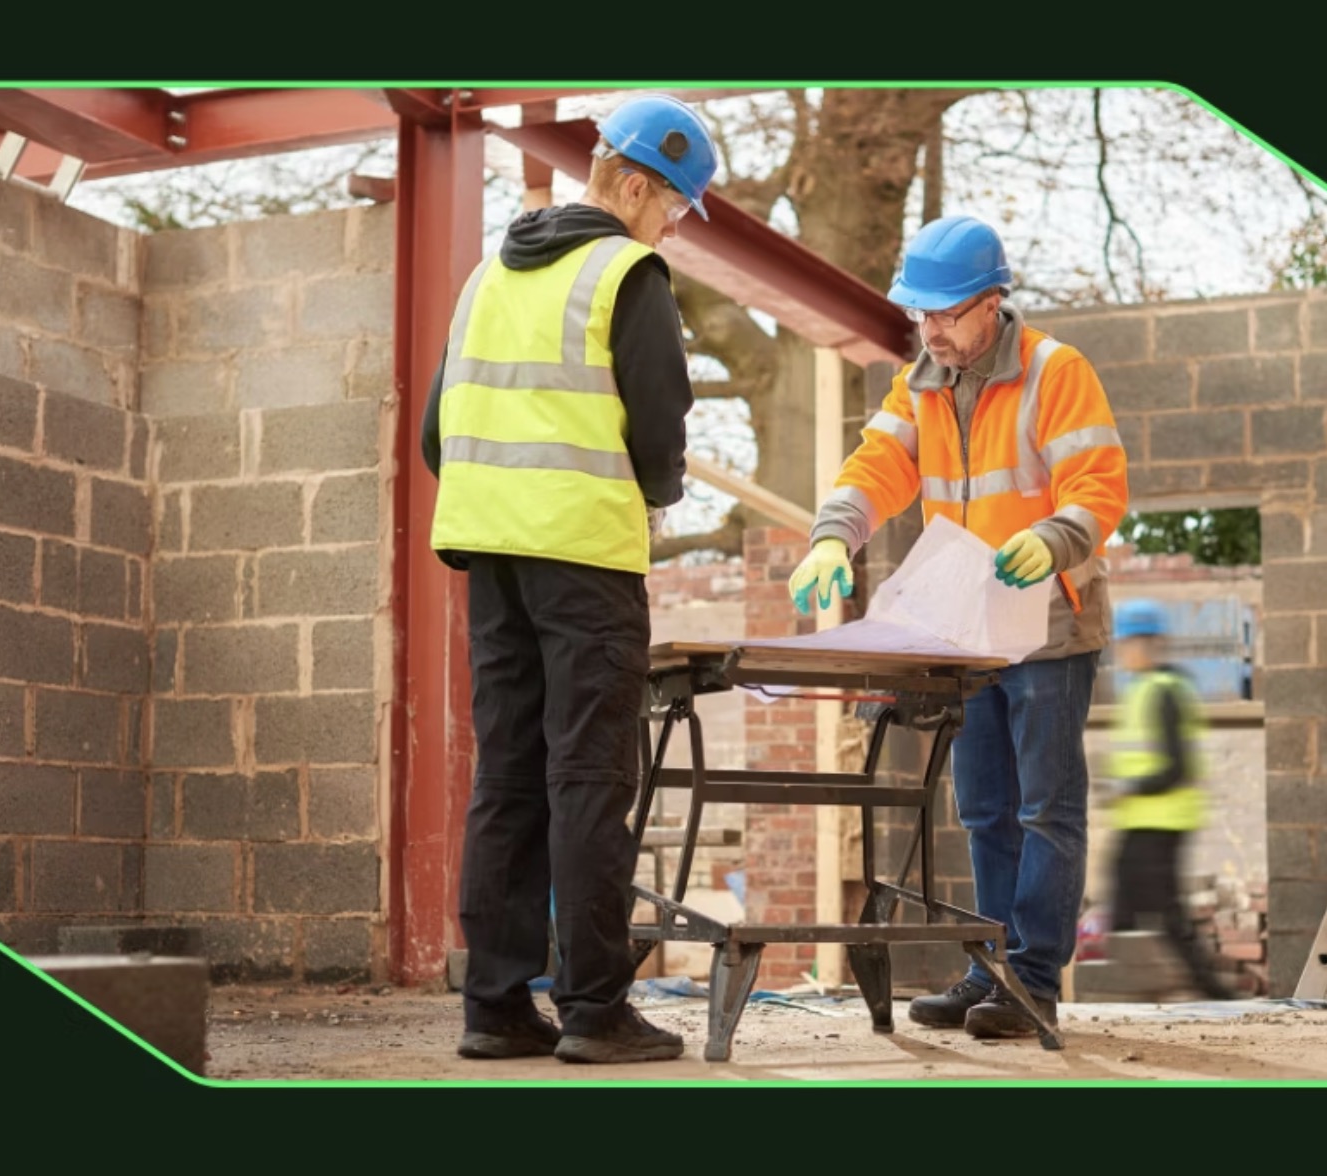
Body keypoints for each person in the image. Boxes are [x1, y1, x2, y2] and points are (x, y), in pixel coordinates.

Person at [421, 93, 720, 1064]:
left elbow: (435, 436)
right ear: (631, 183)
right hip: (583, 559)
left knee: (506, 774)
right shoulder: (625, 273)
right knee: (589, 774)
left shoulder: (483, 281)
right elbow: (658, 421)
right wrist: (656, 491)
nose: (671, 222)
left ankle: (497, 1006)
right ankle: (593, 1009)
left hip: (490, 556)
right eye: (672, 202)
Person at [788, 214, 1127, 1039]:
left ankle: (1035, 980)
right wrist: (834, 535)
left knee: (1048, 808)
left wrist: (1051, 539)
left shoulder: (1056, 371)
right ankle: (990, 968)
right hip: (969, 636)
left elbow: (1099, 484)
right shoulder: (920, 382)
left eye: (945, 313)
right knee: (983, 809)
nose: (930, 329)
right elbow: (877, 468)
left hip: (1050, 627)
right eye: (921, 314)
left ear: (993, 302)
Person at [1101, 598, 1237, 1000]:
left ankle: (1214, 995)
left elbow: (1177, 767)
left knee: (1165, 913)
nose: (1125, 651)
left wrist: (1128, 788)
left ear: (1152, 643)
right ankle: (1124, 991)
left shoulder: (1165, 691)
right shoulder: (1144, 689)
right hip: (1141, 821)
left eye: (1131, 643)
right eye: (1122, 643)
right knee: (1127, 905)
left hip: (1162, 821)